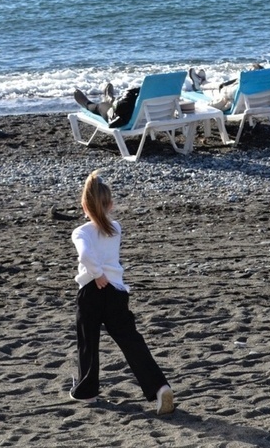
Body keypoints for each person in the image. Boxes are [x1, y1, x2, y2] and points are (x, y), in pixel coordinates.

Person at [69, 171, 174, 415]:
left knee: (88, 342)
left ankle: (87, 391)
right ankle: (160, 387)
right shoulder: (115, 228)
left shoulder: (81, 231)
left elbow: (84, 254)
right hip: (117, 292)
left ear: (84, 205)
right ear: (110, 204)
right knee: (131, 341)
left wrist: (96, 274)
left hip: (91, 291)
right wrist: (104, 274)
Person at [73, 83, 140, 129]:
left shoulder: (148, 84)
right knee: (123, 102)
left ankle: (86, 103)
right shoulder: (149, 89)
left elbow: (120, 108)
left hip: (121, 119)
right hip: (144, 120)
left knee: (100, 106)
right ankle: (109, 97)